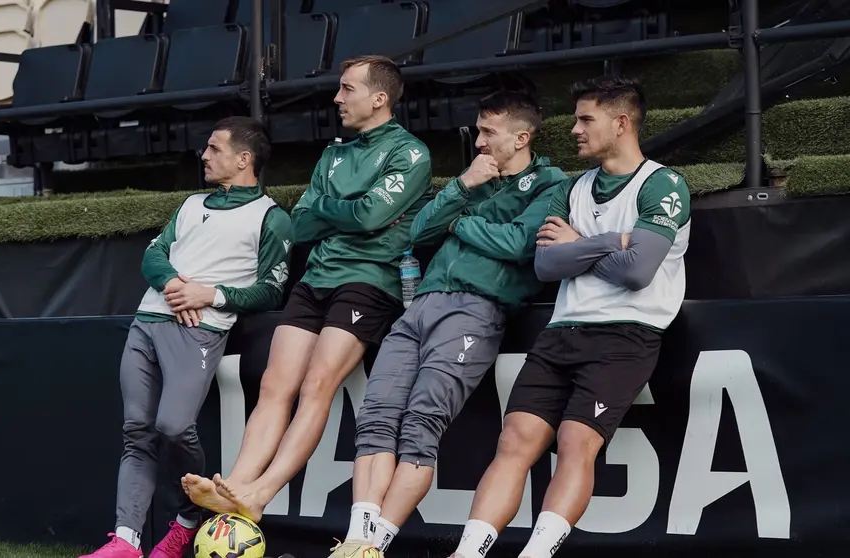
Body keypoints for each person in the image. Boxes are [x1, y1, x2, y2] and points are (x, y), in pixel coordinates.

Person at [447, 75, 691, 558]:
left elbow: (639, 271)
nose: (575, 130)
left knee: (577, 442)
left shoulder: (662, 183)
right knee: (514, 440)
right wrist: (605, 244)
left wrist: (576, 245)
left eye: (586, 120)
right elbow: (545, 263)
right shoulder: (573, 186)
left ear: (621, 123)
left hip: (627, 334)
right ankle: (468, 553)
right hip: (561, 331)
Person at [182, 54, 433, 523]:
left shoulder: (410, 152)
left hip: (369, 281)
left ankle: (261, 494)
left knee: (318, 386)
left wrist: (337, 209)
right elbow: (300, 222)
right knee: (275, 386)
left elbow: (368, 216)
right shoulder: (332, 154)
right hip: (315, 278)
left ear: (379, 99)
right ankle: (234, 486)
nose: (337, 98)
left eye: (347, 89)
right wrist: (350, 210)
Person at [331, 90, 569, 558]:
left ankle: (374, 546)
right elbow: (417, 232)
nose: (478, 141)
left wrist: (459, 222)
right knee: (376, 420)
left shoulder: (551, 183)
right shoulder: (473, 178)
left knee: (420, 426)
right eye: (478, 130)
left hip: (476, 311)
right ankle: (358, 541)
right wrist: (462, 188)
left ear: (521, 138)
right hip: (420, 305)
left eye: (488, 133)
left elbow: (521, 244)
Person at [81, 116, 293, 558]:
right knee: (137, 431)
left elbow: (271, 289)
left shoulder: (271, 219)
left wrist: (209, 294)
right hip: (146, 322)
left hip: (200, 333)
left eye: (214, 148)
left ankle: (187, 520)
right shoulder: (191, 204)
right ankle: (125, 540)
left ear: (244, 159)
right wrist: (177, 285)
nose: (204, 155)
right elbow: (153, 253)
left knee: (173, 426)